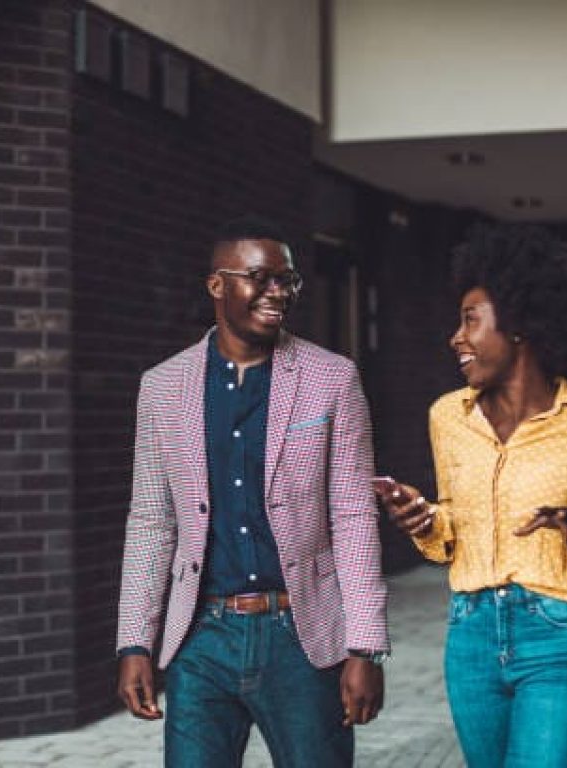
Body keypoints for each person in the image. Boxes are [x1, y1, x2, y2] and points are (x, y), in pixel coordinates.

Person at [116, 216, 389, 767]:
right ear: (217, 285)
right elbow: (152, 518)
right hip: (201, 636)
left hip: (302, 637)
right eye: (261, 278)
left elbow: (354, 514)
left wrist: (364, 646)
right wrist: (134, 643)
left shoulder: (332, 377)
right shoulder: (163, 387)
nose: (277, 293)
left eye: (286, 281)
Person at [376, 222, 567, 768]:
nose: (457, 336)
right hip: (469, 635)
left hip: (555, 636)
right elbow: (455, 521)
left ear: (519, 324)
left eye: (471, 319)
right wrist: (426, 519)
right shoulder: (448, 417)